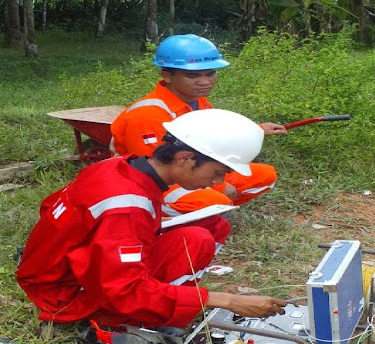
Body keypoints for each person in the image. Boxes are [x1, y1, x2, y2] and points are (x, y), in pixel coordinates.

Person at [16, 108, 288, 333]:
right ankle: (130, 323)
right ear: (184, 158)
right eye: (218, 172)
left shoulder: (121, 165)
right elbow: (124, 290)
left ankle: (168, 300)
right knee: (197, 240)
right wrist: (226, 300)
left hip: (62, 268)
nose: (219, 182)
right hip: (65, 295)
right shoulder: (127, 207)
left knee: (213, 225)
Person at [109, 33, 287, 217]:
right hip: (154, 181)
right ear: (167, 76)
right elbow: (156, 168)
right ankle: (167, 214)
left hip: (192, 169)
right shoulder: (147, 114)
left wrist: (256, 130)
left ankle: (207, 209)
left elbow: (215, 132)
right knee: (215, 202)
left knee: (264, 176)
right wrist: (221, 186)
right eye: (193, 76)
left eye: (210, 73)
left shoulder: (198, 101)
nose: (205, 82)